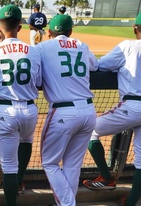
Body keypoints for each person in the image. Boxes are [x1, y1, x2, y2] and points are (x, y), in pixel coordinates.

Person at [36, 14, 97, 206]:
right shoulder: (82, 45)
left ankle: (67, 204)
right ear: (70, 32)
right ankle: (65, 203)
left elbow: (36, 77)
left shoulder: (43, 47)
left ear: (49, 32)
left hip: (62, 112)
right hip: (88, 111)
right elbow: (95, 66)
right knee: (72, 165)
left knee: (50, 163)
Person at [0, 4, 41, 206]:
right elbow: (39, 80)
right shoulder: (34, 52)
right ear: (20, 27)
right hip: (30, 109)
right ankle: (20, 181)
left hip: (6, 110)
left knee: (8, 166)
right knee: (26, 142)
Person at [82, 12, 141, 206]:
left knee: (90, 130)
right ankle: (131, 202)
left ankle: (106, 178)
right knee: (140, 159)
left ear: (135, 28)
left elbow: (102, 65)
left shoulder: (128, 46)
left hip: (132, 106)